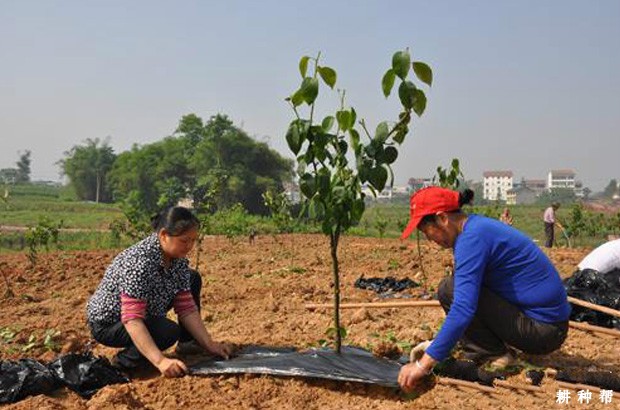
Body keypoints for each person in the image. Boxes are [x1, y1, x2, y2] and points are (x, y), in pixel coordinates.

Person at [397, 187, 570, 392]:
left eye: (427, 232)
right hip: (544, 324)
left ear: (442, 218)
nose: (430, 240)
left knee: (449, 289)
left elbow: (463, 308)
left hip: (544, 330)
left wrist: (423, 365)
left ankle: (492, 353)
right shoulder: (476, 228)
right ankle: (487, 348)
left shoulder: (472, 239)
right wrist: (438, 345)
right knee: (454, 286)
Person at [86, 207, 232, 377]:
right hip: (110, 322)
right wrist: (160, 361)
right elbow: (132, 319)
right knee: (166, 332)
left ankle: (188, 343)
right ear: (163, 235)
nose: (189, 246)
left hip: (143, 310)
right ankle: (122, 363)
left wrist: (209, 344)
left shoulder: (177, 260)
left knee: (192, 278)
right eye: (184, 241)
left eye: (193, 240)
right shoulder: (139, 263)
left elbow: (186, 308)